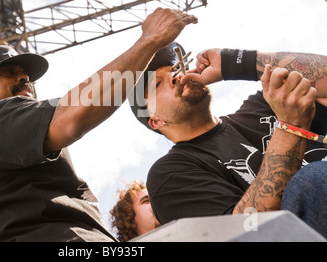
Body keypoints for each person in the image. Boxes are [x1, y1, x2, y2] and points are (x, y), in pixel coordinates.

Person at [0, 7, 198, 242]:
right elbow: (70, 118)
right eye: (9, 72)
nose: (23, 79)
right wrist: (150, 41)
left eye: (26, 77)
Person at [129, 44, 327, 238]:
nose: (175, 76)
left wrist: (237, 62)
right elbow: (244, 230)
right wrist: (291, 127)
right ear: (155, 121)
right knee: (312, 180)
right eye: (157, 84)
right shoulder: (169, 174)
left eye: (175, 69)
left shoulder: (263, 106)